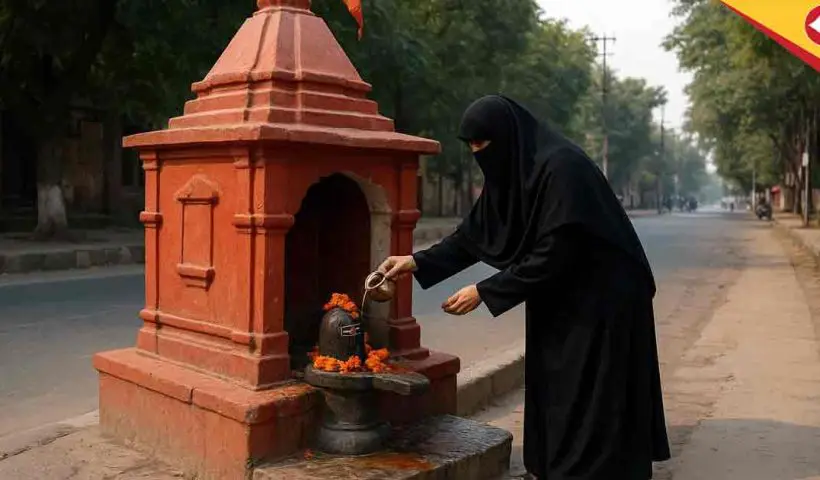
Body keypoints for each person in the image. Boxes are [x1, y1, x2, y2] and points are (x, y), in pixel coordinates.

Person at [379, 95, 670, 479]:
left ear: (506, 137)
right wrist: (414, 262)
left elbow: (557, 251)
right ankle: (557, 465)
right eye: (471, 148)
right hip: (560, 294)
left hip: (605, 299)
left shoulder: (563, 169)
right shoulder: (516, 171)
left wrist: (485, 290)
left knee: (594, 390)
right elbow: (473, 237)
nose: (478, 155)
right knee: (557, 384)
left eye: (483, 145)